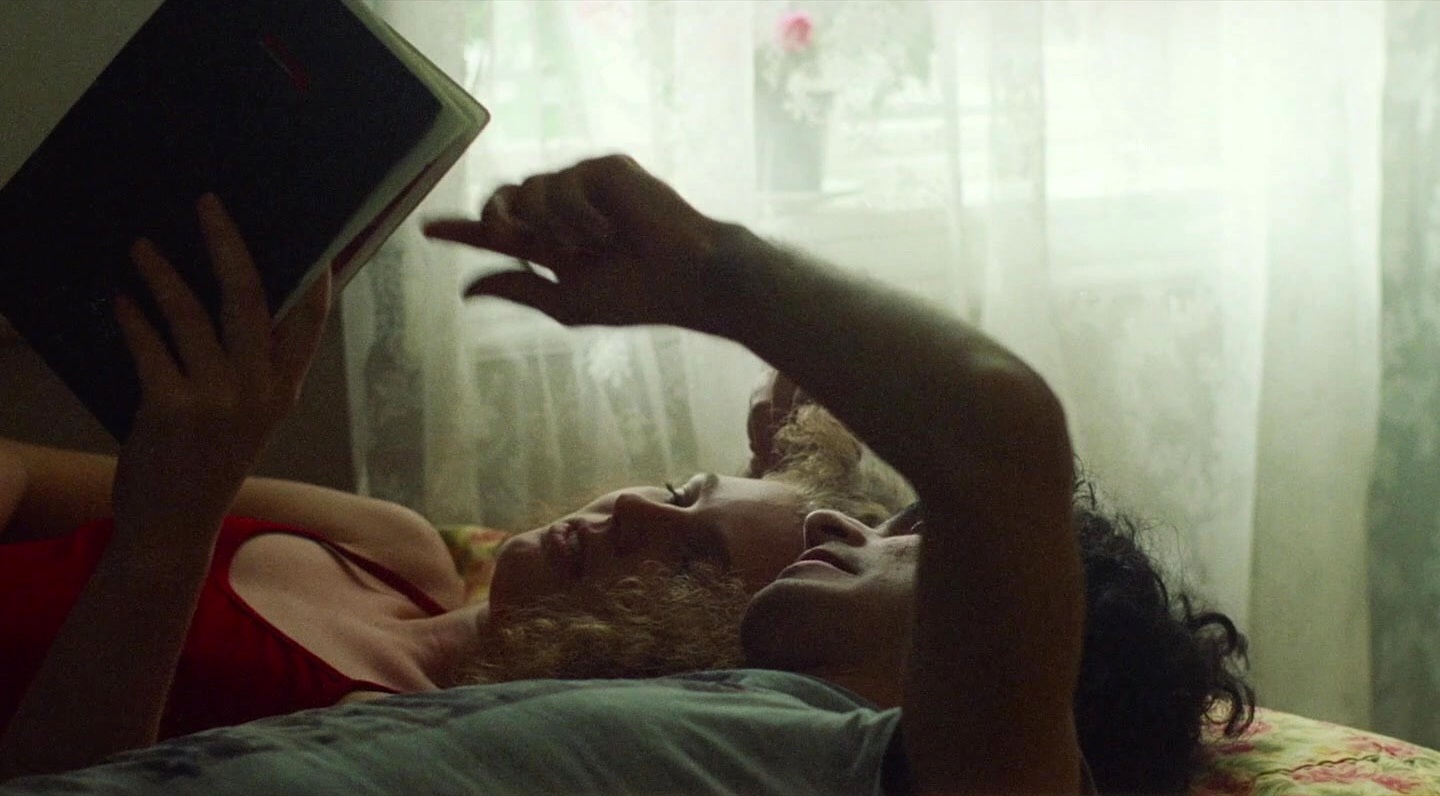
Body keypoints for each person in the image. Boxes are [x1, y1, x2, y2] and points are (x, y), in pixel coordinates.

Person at [0, 195, 908, 778]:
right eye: (678, 492)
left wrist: (170, 529)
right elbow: (29, 472)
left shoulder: (381, 747)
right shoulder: (391, 545)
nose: (632, 509)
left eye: (687, 563)